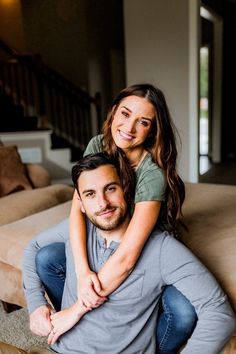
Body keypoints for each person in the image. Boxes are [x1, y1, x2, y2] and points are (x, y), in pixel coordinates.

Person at [1, 153, 235, 354]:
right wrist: (36, 306)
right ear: (80, 204)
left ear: (126, 191)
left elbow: (219, 312)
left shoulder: (162, 248)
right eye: (91, 194)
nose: (102, 203)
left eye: (110, 189)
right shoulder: (79, 231)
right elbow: (34, 247)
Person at [34, 83, 197, 353]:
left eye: (143, 122)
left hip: (144, 253)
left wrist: (76, 310)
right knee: (47, 258)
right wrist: (83, 271)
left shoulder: (151, 173)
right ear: (113, 112)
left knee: (183, 310)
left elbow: (128, 255)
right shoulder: (97, 145)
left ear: (153, 130)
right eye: (125, 114)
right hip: (105, 241)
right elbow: (78, 209)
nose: (129, 128)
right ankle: (87, 329)